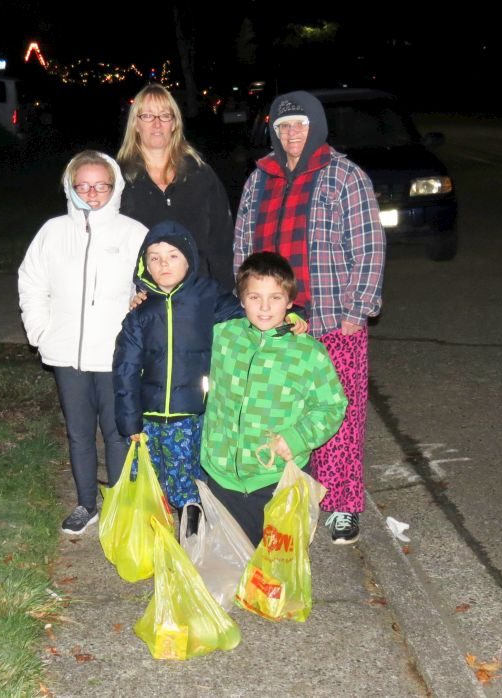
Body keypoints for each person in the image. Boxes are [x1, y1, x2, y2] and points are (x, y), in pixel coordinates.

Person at [233, 91, 386, 545]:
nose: (292, 133)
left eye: (300, 124)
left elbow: (369, 247)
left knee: (337, 418)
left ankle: (342, 506)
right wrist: (245, 299)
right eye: (283, 126)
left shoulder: (344, 176)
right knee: (281, 416)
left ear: (316, 127)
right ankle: (285, 501)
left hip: (332, 321)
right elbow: (242, 243)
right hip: (273, 321)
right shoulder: (259, 179)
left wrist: (357, 311)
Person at [113, 222, 307, 538]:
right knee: (151, 481)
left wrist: (292, 314)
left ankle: (194, 537)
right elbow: (125, 370)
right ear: (143, 265)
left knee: (190, 483)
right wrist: (129, 422)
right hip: (148, 419)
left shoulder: (208, 296)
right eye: (155, 258)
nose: (164, 265)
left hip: (193, 414)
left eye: (173, 256)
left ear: (189, 259)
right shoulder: (141, 312)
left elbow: (253, 311)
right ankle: (155, 539)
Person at [17, 150, 147, 535]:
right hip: (66, 354)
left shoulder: (133, 233)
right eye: (84, 186)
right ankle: (85, 503)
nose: (92, 194)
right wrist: (40, 332)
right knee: (78, 432)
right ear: (70, 188)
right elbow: (32, 283)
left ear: (115, 187)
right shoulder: (53, 232)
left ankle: (121, 505)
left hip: (115, 356)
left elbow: (151, 286)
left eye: (101, 186)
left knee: (118, 432)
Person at [200, 251, 347, 546]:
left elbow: (332, 406)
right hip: (221, 474)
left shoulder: (307, 353)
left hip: (275, 479)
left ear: (291, 301)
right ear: (241, 300)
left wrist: (296, 438)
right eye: (254, 297)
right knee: (227, 568)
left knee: (273, 570)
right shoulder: (223, 336)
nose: (265, 307)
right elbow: (176, 329)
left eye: (275, 298)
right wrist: (144, 299)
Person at [117, 83, 235, 290]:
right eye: (147, 116)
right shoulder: (119, 179)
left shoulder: (200, 175)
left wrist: (223, 297)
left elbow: (222, 243)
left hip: (198, 297)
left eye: (164, 115)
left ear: (174, 123)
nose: (156, 124)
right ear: (135, 123)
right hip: (141, 302)